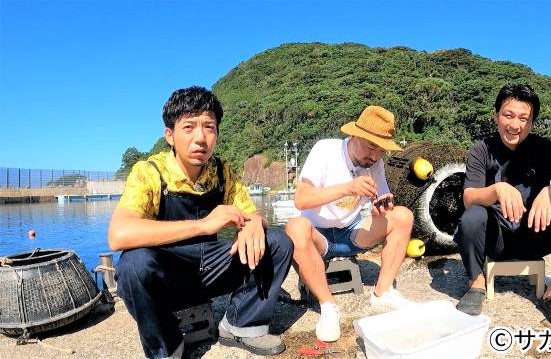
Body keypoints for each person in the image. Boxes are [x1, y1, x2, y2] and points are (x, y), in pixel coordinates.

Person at [108, 86, 293, 358]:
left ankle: (241, 324)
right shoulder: (149, 173)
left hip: (213, 270)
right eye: (189, 127)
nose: (200, 138)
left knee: (277, 242)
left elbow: (251, 213)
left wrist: (255, 222)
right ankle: (167, 345)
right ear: (169, 135)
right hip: (169, 276)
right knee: (133, 264)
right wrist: (204, 225)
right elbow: (118, 234)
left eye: (209, 127)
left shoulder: (222, 173)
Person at [453, 83, 551, 325]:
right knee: (472, 216)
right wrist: (497, 189)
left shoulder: (545, 149)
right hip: (495, 240)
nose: (514, 125)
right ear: (496, 115)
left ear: (532, 123)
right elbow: (469, 197)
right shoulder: (481, 150)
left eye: (523, 118)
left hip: (535, 234)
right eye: (508, 115)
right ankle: (476, 285)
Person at [284, 106, 415, 342]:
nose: (375, 156)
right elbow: (301, 199)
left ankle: (383, 292)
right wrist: (347, 188)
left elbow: (383, 200)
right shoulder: (326, 150)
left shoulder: (375, 164)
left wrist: (379, 209)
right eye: (371, 145)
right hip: (318, 237)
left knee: (403, 216)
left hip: (351, 232)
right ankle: (328, 307)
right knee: (294, 228)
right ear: (353, 136)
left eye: (382, 149)